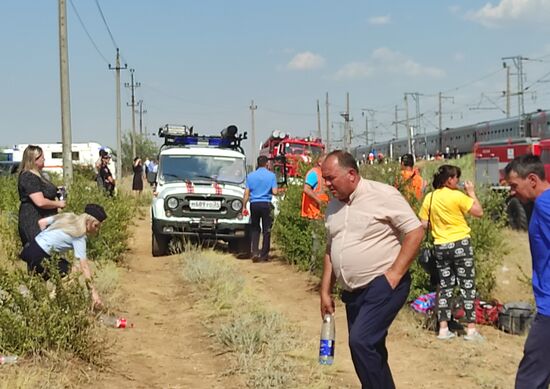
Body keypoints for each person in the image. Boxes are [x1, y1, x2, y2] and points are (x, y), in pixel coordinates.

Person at [320, 150, 424, 388]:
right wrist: (325, 290)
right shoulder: (333, 207)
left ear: (352, 175)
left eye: (330, 178)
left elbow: (415, 231)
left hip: (384, 285)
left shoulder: (383, 195)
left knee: (361, 341)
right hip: (353, 292)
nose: (326, 184)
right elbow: (331, 249)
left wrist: (394, 274)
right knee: (367, 350)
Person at [418, 165, 484, 341]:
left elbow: (423, 223)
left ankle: (443, 329)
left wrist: (440, 226)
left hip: (441, 246)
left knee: (445, 287)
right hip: (461, 244)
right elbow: (479, 212)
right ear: (449, 180)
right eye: (456, 178)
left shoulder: (430, 198)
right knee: (467, 286)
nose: (458, 181)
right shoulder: (457, 196)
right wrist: (471, 192)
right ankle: (470, 330)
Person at [504, 155, 550, 389]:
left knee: (529, 381)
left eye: (514, 185)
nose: (512, 192)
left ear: (532, 179)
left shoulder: (544, 205)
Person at [19, 203, 107, 308]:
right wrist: (93, 293)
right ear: (89, 222)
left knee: (40, 282)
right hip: (39, 256)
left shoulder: (68, 216)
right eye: (96, 226)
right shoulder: (80, 236)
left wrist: (45, 240)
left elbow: (41, 222)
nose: (97, 230)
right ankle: (50, 301)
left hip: (31, 249)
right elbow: (84, 266)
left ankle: (38, 303)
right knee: (75, 271)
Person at [18, 145, 66, 246]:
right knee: (39, 251)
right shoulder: (28, 176)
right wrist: (58, 204)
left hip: (45, 219)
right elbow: (40, 201)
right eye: (42, 157)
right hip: (34, 220)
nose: (44, 159)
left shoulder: (39, 175)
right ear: (34, 159)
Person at [242, 155, 278, 262]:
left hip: (254, 204)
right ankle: (264, 255)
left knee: (255, 228)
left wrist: (244, 206)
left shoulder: (251, 176)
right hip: (266, 203)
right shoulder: (271, 176)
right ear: (267, 163)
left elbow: (246, 193)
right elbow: (275, 192)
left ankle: (255, 251)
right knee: (266, 229)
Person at [301, 155, 328, 220]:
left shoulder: (324, 173)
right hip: (314, 213)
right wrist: (320, 201)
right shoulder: (314, 173)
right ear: (320, 162)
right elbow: (306, 189)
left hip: (322, 213)